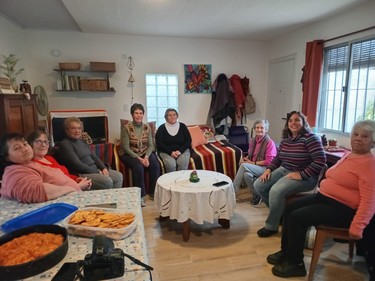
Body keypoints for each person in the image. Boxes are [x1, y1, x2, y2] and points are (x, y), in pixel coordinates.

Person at [266, 120, 375, 278]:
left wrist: (358, 226)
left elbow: (370, 200)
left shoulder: (369, 165)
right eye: (356, 134)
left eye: (365, 136)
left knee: (298, 217)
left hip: (344, 208)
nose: (358, 138)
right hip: (325, 197)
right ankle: (287, 252)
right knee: (289, 208)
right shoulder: (349, 156)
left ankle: (296, 263)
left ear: (372, 142)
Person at [253, 111, 326, 237]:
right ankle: (280, 215)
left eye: (297, 120)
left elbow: (320, 161)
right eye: (290, 120)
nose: (293, 123)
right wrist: (269, 169)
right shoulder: (286, 139)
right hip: (284, 170)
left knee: (275, 191)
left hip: (305, 176)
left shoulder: (311, 138)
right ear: (287, 124)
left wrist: (302, 175)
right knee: (258, 185)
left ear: (303, 122)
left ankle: (271, 226)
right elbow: (278, 158)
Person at [0, 133, 83, 203]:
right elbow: (34, 192)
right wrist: (70, 189)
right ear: (7, 157)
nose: (24, 149)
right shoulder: (14, 171)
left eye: (25, 144)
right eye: (17, 148)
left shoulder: (30, 164)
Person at [57, 117, 123, 190]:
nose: (77, 131)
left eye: (79, 128)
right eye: (73, 128)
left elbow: (94, 157)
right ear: (67, 130)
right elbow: (77, 165)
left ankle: (114, 199)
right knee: (107, 181)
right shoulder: (65, 144)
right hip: (81, 173)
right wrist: (97, 171)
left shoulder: (82, 141)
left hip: (94, 169)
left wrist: (103, 168)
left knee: (118, 176)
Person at [119, 103, 161, 207]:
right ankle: (140, 195)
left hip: (144, 152)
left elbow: (151, 145)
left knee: (155, 164)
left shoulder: (147, 127)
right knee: (138, 167)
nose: (139, 115)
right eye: (136, 113)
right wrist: (139, 159)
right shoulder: (126, 128)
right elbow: (126, 147)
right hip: (130, 154)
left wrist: (146, 157)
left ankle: (152, 192)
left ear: (143, 114)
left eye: (141, 113)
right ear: (132, 115)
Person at [27, 130, 92, 190]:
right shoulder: (32, 165)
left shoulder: (49, 158)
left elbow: (65, 175)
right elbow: (53, 186)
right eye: (39, 142)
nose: (43, 145)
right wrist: (78, 186)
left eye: (46, 142)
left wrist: (76, 179)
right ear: (30, 144)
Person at [233, 119, 277, 206]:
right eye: (257, 127)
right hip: (255, 166)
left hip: (266, 169)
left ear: (266, 130)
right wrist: (245, 159)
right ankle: (257, 194)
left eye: (262, 128)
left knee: (244, 166)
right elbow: (250, 155)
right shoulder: (253, 141)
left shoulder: (269, 143)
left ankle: (233, 191)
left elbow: (269, 162)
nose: (259, 130)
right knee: (246, 174)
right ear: (254, 129)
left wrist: (251, 163)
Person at [155, 108, 192, 173]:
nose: (172, 117)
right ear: (166, 117)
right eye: (170, 115)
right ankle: (171, 182)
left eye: (174, 114)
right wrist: (171, 152)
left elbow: (188, 141)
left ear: (177, 116)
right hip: (166, 151)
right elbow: (159, 143)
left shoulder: (182, 126)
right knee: (171, 164)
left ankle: (181, 182)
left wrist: (180, 151)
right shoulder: (161, 128)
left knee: (182, 163)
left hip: (182, 151)